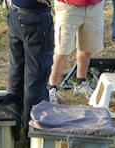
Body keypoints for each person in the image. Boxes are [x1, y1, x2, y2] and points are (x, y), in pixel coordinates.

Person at [6, 0, 54, 138]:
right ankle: (32, 136)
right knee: (36, 78)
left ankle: (10, 131)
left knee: (16, 73)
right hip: (34, 17)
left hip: (16, 12)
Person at [48, 0, 105, 103]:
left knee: (87, 48)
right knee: (62, 50)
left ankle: (81, 83)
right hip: (68, 6)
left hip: (95, 6)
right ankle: (51, 89)